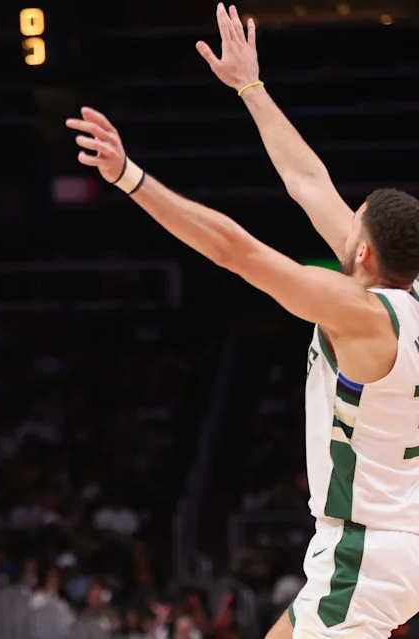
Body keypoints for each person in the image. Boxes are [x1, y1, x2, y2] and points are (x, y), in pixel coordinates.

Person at [66, 15, 419, 634]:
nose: (344, 220)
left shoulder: (358, 312)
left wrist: (130, 177)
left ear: (363, 253)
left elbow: (238, 251)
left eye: (353, 222)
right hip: (394, 539)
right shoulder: (403, 294)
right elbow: (308, 183)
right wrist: (250, 88)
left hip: (368, 551)